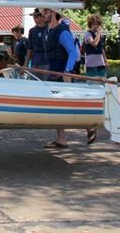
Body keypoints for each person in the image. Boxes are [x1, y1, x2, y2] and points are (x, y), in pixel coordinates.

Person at [42, 8, 80, 149]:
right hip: (54, 72)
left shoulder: (62, 31)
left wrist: (67, 71)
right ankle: (61, 139)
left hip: (63, 74)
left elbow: (72, 51)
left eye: (46, 12)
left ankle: (89, 127)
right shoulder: (49, 30)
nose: (43, 15)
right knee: (56, 106)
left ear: (53, 13)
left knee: (70, 104)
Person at [83, 14, 108, 79]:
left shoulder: (98, 35)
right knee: (93, 83)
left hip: (100, 63)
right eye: (94, 24)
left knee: (103, 82)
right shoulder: (87, 34)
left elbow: (101, 48)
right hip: (92, 64)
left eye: (98, 24)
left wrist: (105, 61)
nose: (96, 26)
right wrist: (98, 34)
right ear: (90, 24)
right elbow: (94, 43)